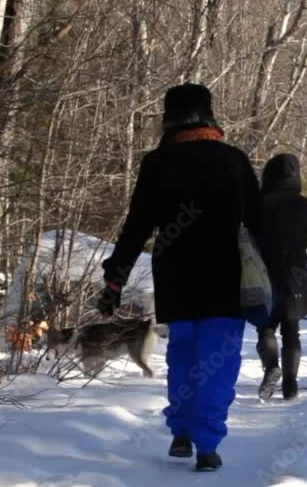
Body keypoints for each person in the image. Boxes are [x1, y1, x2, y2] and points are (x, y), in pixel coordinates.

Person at [98, 83, 260, 472]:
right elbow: (260, 225)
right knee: (217, 361)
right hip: (225, 281)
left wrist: (114, 280)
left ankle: (181, 433)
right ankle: (207, 444)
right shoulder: (233, 160)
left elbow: (135, 228)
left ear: (169, 119)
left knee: (183, 356)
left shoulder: (158, 163)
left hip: (176, 281)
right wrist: (280, 283)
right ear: (209, 115)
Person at [255, 153, 307, 401]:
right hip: (296, 271)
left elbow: (252, 237)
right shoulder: (304, 205)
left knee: (265, 325)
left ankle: (271, 367)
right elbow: (306, 237)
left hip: (265, 269)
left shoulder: (261, 204)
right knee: (292, 328)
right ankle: (291, 384)